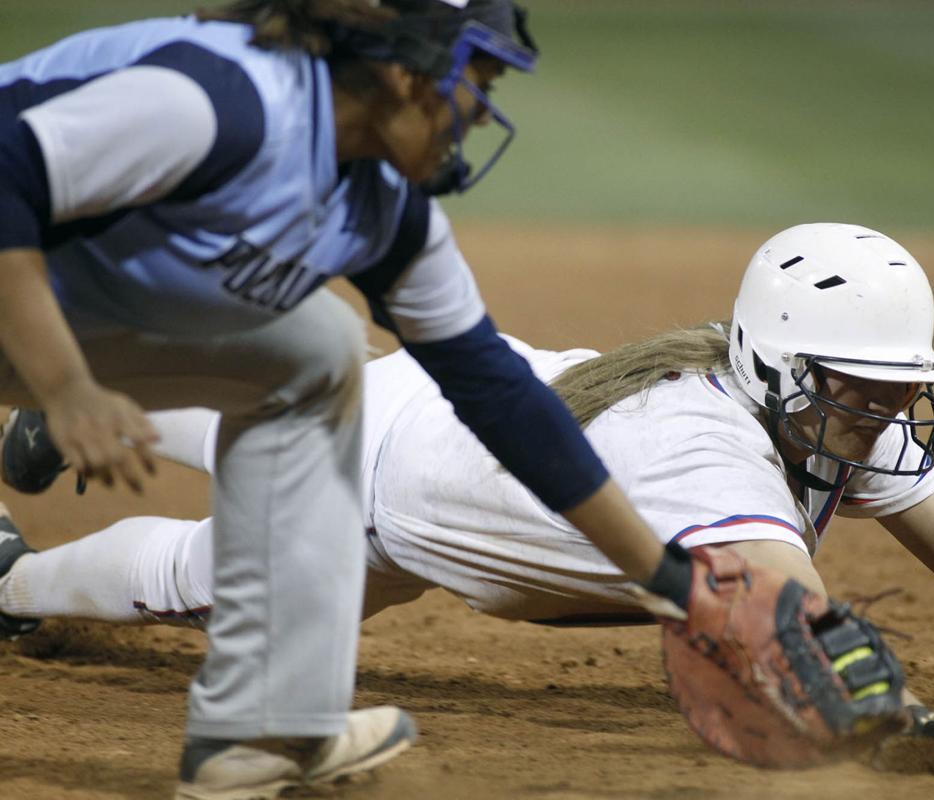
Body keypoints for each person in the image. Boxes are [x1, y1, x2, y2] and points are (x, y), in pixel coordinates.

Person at [2, 223, 934, 740]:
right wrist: (898, 717)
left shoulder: (819, 415)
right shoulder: (709, 448)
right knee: (213, 580)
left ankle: (74, 410)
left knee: (307, 402)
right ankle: (11, 580)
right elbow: (782, 609)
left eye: (890, 386)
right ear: (775, 358)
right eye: (852, 385)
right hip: (388, 487)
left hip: (442, 411)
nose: (874, 410)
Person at [0, 2, 719, 797]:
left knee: (315, 354)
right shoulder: (223, 99)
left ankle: (260, 732)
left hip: (60, 299)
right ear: (405, 68)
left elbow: (499, 393)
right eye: (476, 80)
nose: (483, 112)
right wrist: (65, 387)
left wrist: (669, 578)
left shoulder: (384, 211)